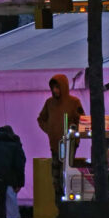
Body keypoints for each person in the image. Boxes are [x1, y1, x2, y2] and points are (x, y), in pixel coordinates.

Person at [37, 75, 85, 211]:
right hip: (55, 145)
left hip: (69, 145)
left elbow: (82, 121)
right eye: (53, 88)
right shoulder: (49, 103)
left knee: (66, 176)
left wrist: (73, 133)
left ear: (63, 87)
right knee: (56, 179)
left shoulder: (74, 102)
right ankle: (60, 210)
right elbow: (41, 119)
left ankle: (70, 210)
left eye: (57, 87)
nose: (55, 90)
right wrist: (49, 130)